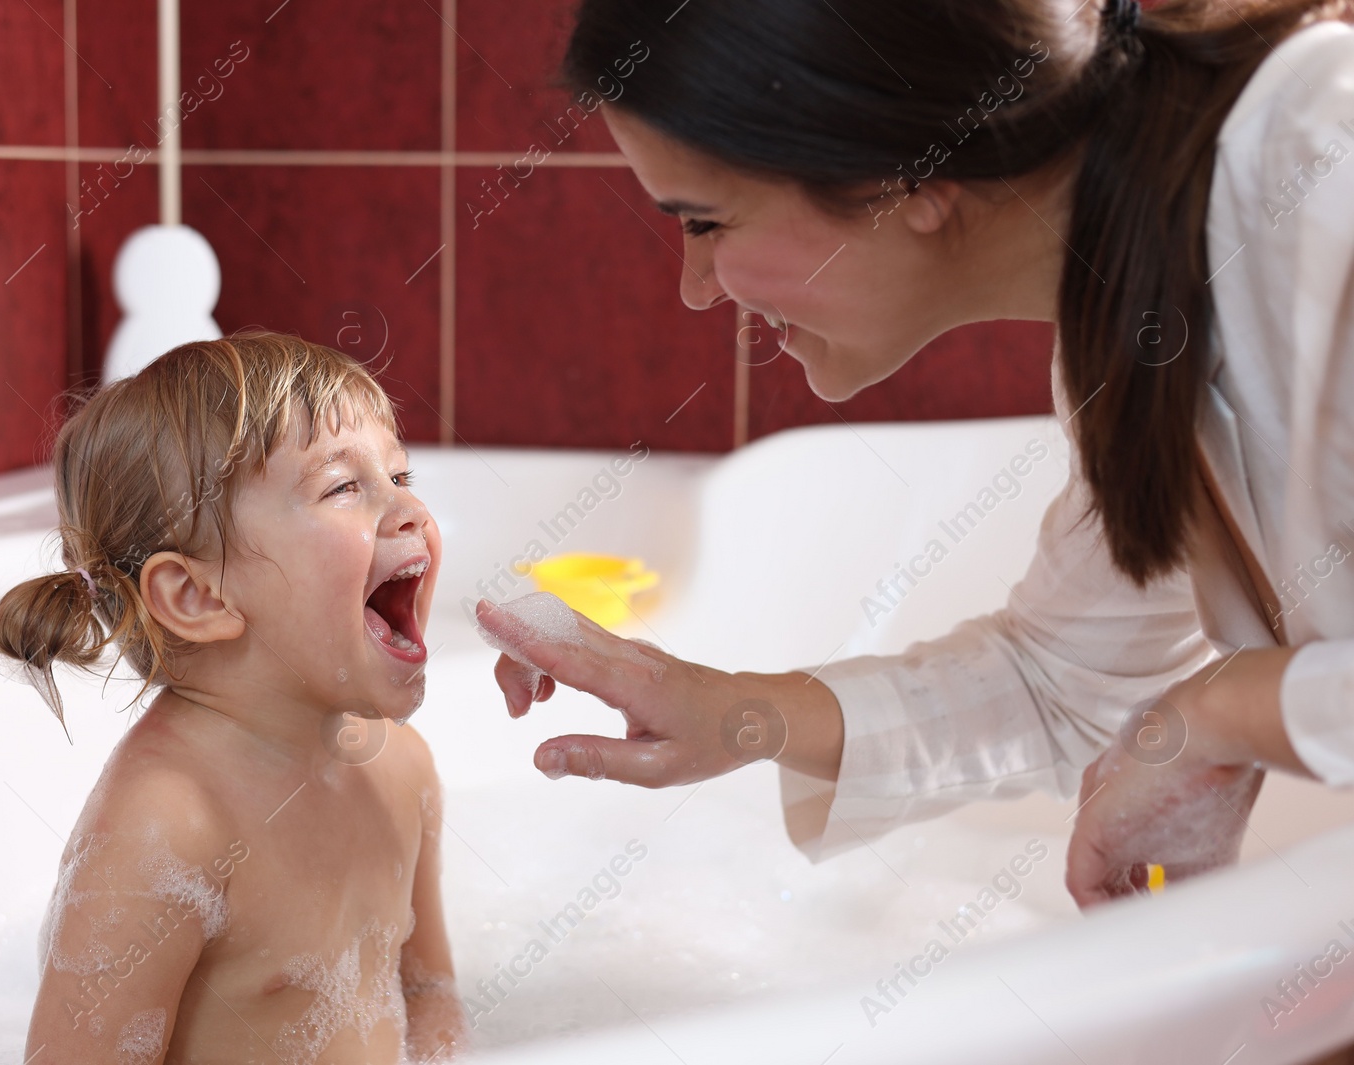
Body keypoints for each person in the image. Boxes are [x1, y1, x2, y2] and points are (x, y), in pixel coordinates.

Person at [474, 0, 1354, 908]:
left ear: (900, 172)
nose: (697, 291)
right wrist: (725, 711)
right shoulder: (1131, 313)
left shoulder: (1325, 153)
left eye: (707, 222)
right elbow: (1063, 680)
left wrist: (1217, 714)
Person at [0, 333, 466, 1063]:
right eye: (345, 486)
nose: (408, 509)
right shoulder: (163, 831)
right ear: (197, 594)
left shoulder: (401, 770)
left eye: (401, 473)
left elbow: (430, 995)